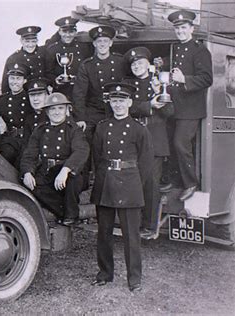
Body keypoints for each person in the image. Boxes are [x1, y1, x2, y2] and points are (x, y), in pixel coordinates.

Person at [91, 82, 153, 292]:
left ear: (130, 102)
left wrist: (135, 183)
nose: (118, 105)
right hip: (106, 183)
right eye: (114, 101)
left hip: (130, 183)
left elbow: (146, 163)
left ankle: (134, 279)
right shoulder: (102, 127)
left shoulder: (139, 129)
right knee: (104, 233)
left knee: (131, 236)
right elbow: (97, 157)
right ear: (110, 102)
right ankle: (105, 274)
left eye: (121, 101)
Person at [157, 9, 213, 201]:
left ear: (192, 28)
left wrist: (184, 79)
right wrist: (162, 62)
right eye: (177, 28)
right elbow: (175, 63)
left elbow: (206, 78)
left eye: (183, 27)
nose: (180, 31)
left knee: (180, 144)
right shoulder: (175, 48)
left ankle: (190, 183)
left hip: (191, 109)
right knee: (169, 144)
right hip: (174, 106)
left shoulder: (200, 50)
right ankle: (174, 179)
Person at [122, 47, 174, 238]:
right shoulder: (126, 85)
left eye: (140, 63)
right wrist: (148, 106)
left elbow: (170, 113)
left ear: (148, 65)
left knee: (151, 184)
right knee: (131, 181)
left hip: (154, 139)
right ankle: (131, 223)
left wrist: (158, 93)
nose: (137, 66)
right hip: (132, 139)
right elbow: (122, 108)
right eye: (134, 64)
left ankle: (149, 226)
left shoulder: (158, 83)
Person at [21, 92, 89, 226]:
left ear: (67, 110)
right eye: (52, 109)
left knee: (72, 179)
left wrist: (65, 170)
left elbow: (81, 151)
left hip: (67, 171)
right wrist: (27, 172)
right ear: (47, 112)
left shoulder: (74, 129)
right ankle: (62, 210)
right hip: (48, 171)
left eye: (60, 108)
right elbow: (30, 153)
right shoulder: (40, 129)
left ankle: (71, 215)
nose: (56, 112)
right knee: (29, 184)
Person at [72, 25, 127, 189]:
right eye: (98, 41)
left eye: (105, 41)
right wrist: (81, 118)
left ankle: (114, 180)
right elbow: (79, 94)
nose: (102, 44)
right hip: (93, 111)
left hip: (115, 110)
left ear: (110, 43)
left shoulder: (120, 61)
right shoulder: (87, 65)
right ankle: (86, 182)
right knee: (86, 141)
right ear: (94, 44)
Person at [0, 63, 33, 166]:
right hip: (10, 140)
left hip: (28, 139)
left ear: (24, 80)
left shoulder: (30, 98)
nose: (14, 82)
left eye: (18, 79)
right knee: (2, 161)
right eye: (12, 78)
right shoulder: (2, 100)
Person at [45, 16, 92, 101]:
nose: (67, 35)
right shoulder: (52, 49)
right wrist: (55, 80)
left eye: (71, 32)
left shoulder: (83, 47)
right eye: (64, 31)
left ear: (75, 32)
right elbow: (48, 72)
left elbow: (89, 67)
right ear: (59, 32)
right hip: (61, 91)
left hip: (81, 91)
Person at [1, 26, 46, 93]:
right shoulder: (13, 59)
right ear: (21, 41)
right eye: (27, 41)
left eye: (33, 41)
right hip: (23, 97)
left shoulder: (43, 54)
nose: (30, 45)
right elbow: (5, 86)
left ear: (37, 41)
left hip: (40, 94)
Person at [23, 78, 51, 142]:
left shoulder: (55, 115)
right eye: (32, 95)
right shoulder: (29, 119)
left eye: (39, 94)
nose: (35, 99)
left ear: (47, 95)